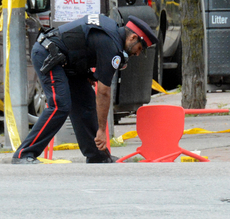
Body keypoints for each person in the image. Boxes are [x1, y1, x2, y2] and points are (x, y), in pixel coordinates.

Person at [12, 14, 157, 164]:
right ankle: (24, 154)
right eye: (140, 49)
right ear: (133, 37)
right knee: (60, 105)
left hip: (67, 63)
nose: (138, 53)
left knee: (86, 102)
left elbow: (81, 45)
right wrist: (101, 130)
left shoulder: (111, 33)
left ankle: (97, 156)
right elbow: (103, 92)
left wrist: (88, 73)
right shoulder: (111, 45)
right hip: (47, 55)